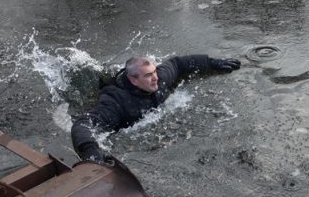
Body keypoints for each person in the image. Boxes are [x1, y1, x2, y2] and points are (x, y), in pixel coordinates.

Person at [71, 54, 241, 162]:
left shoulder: (160, 78)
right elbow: (83, 123)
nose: (155, 79)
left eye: (154, 72)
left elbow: (177, 63)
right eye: (148, 75)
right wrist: (90, 149)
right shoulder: (115, 102)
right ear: (134, 80)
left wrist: (212, 62)